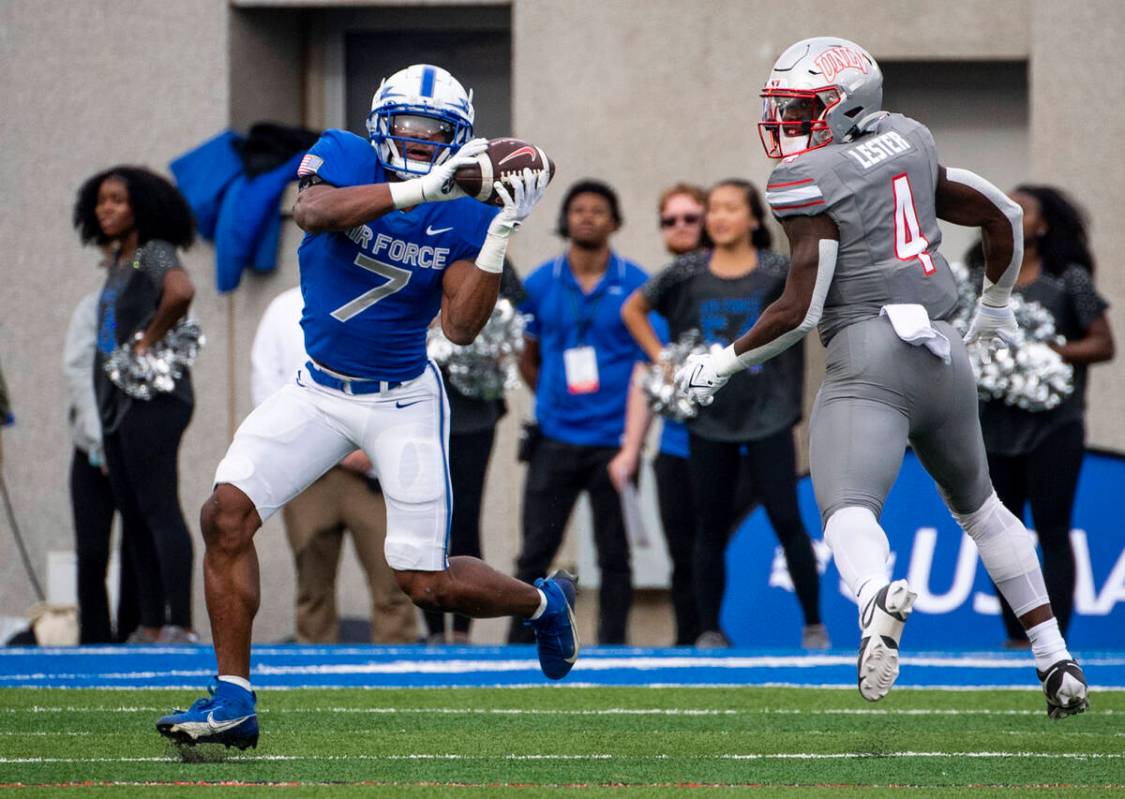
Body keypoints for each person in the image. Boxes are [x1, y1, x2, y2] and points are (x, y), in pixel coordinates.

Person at [156, 64, 574, 750]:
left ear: (457, 137)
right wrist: (420, 187)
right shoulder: (344, 153)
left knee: (423, 581)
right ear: (380, 119)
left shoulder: (467, 209)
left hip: (400, 398)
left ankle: (540, 601)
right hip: (316, 388)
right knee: (224, 514)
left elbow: (462, 328)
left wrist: (501, 230)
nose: (415, 138)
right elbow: (311, 211)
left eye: (433, 131)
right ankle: (234, 696)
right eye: (406, 124)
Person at [676, 37, 1087, 718]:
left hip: (870, 357)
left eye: (800, 107)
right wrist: (993, 305)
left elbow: (800, 306)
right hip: (945, 351)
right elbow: (1002, 213)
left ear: (845, 104)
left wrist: (721, 360)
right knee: (982, 509)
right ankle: (1054, 657)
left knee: (845, 507)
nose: (784, 123)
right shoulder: (906, 138)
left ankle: (874, 597)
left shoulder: (806, 179)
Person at [620, 180, 826, 649]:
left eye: (731, 208)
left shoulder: (779, 270)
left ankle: (814, 624)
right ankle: (708, 629)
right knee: (707, 528)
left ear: (754, 218)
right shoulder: (686, 270)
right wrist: (663, 360)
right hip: (708, 420)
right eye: (713, 208)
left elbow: (817, 304)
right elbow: (632, 309)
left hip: (770, 416)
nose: (720, 217)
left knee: (787, 520)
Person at [967, 186, 1114, 645]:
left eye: (1022, 209)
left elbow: (1103, 344)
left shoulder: (1068, 280)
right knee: (1000, 531)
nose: (1008, 213)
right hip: (992, 428)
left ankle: (1056, 639)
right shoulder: (975, 280)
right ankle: (1015, 637)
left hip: (1055, 424)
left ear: (1043, 226)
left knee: (1052, 528)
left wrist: (1046, 353)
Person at [509, 179, 647, 646]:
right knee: (534, 553)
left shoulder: (636, 284)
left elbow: (648, 361)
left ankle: (613, 648)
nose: (587, 217)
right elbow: (527, 356)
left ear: (615, 221)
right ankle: (516, 646)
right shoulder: (541, 282)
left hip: (613, 444)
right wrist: (552, 398)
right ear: (565, 220)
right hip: (555, 438)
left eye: (598, 210)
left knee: (615, 556)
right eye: (578, 209)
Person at [250, 286, 418, 644]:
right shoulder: (282, 308)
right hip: (308, 472)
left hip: (374, 469)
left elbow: (408, 378)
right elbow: (267, 388)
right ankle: (313, 678)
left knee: (395, 583)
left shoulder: (383, 300)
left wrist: (378, 447)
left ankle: (401, 676)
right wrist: (320, 449)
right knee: (313, 588)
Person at [74, 165, 198, 645]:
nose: (107, 209)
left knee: (160, 507)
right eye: (101, 200)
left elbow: (182, 290)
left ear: (141, 207)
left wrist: (148, 341)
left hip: (152, 403)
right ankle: (149, 624)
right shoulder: (120, 262)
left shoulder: (150, 254)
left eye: (118, 200)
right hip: (116, 406)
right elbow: (106, 339)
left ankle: (180, 624)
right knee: (135, 514)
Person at [423, 261, 525, 645]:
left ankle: (462, 630)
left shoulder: (490, 246)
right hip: (418, 405)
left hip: (473, 410)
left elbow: (513, 316)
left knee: (466, 515)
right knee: (425, 518)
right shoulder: (417, 236)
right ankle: (433, 630)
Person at [63, 286, 140, 643]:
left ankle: (134, 631)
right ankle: (92, 637)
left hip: (137, 449)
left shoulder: (156, 303)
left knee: (137, 544)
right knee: (92, 551)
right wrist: (102, 441)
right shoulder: (92, 308)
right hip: (93, 451)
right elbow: (78, 371)